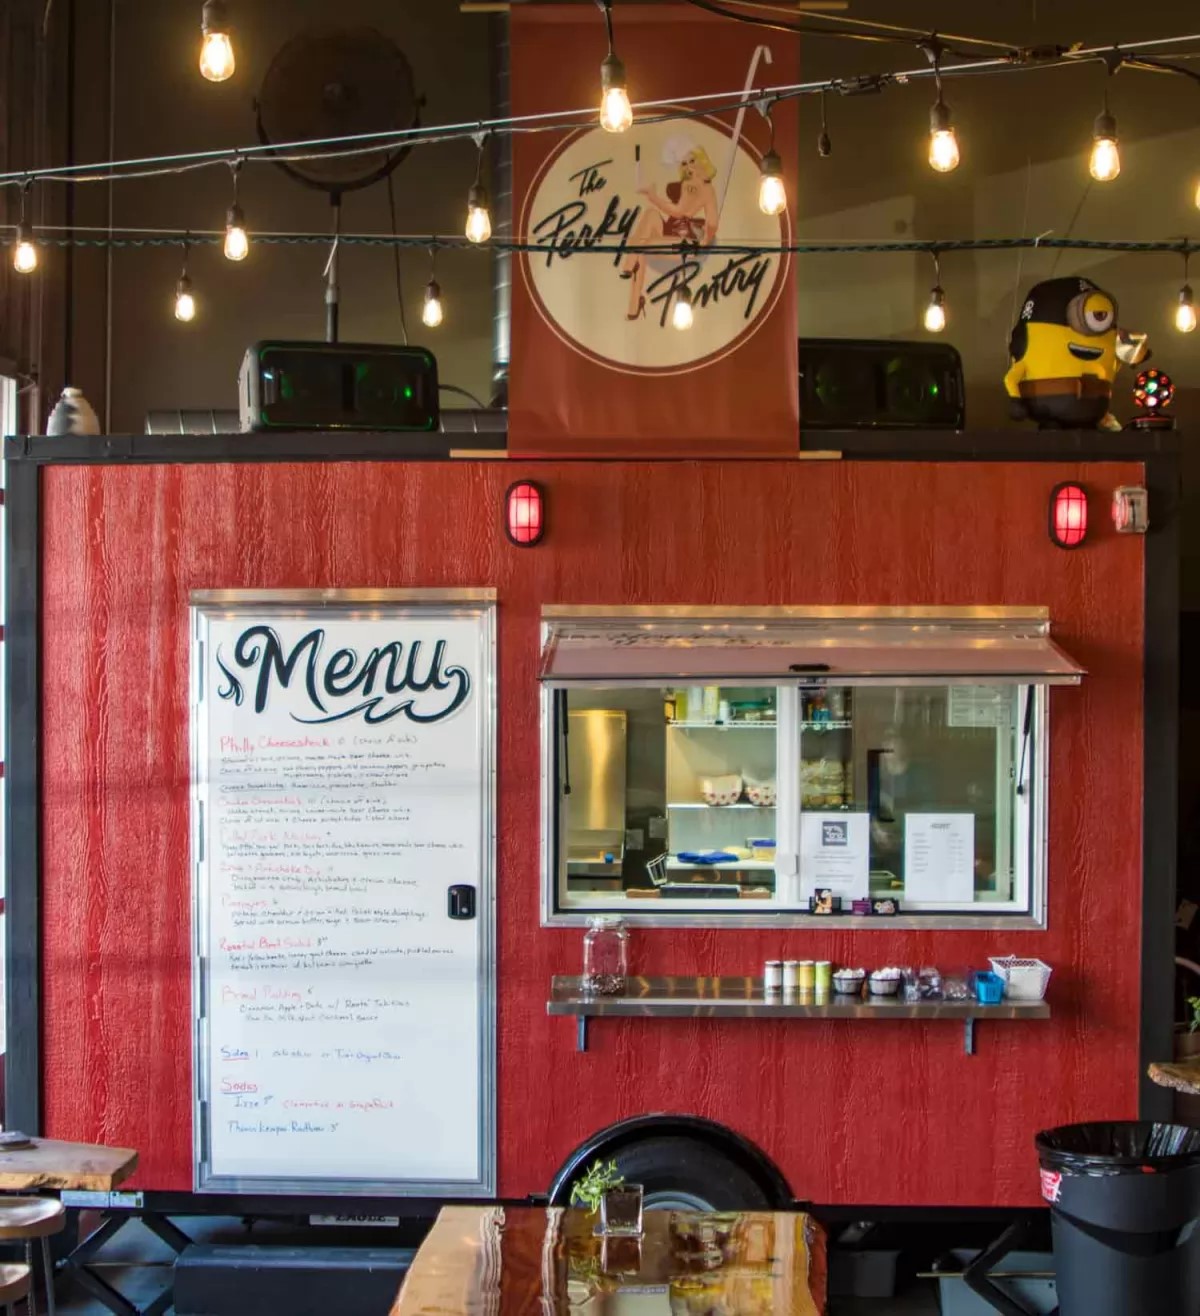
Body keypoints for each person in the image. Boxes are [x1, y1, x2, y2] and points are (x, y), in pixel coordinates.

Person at [620, 141, 719, 321]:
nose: (689, 166)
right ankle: (633, 286)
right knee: (650, 215)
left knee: (640, 246)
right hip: (671, 232)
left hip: (688, 241)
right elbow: (676, 210)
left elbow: (683, 213)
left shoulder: (706, 189)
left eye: (692, 161)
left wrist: (654, 197)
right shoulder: (687, 184)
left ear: (701, 161)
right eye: (684, 163)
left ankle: (633, 291)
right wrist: (653, 199)